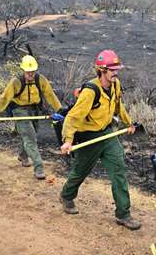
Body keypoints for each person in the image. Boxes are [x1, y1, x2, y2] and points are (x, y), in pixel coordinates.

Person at [58, 49, 140, 230]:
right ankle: (67, 195)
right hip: (89, 136)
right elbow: (73, 117)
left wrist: (129, 123)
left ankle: (123, 214)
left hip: (108, 133)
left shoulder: (116, 84)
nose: (116, 73)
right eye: (112, 70)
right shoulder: (90, 91)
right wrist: (68, 140)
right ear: (102, 70)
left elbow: (119, 106)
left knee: (119, 170)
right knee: (81, 170)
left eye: (117, 69)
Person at [0, 55, 62, 178]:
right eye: (28, 72)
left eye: (33, 72)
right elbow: (4, 98)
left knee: (28, 135)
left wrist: (60, 110)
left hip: (34, 110)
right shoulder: (16, 82)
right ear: (23, 70)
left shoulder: (40, 80)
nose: (31, 74)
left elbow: (50, 95)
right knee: (30, 138)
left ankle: (22, 155)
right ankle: (39, 167)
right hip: (19, 111)